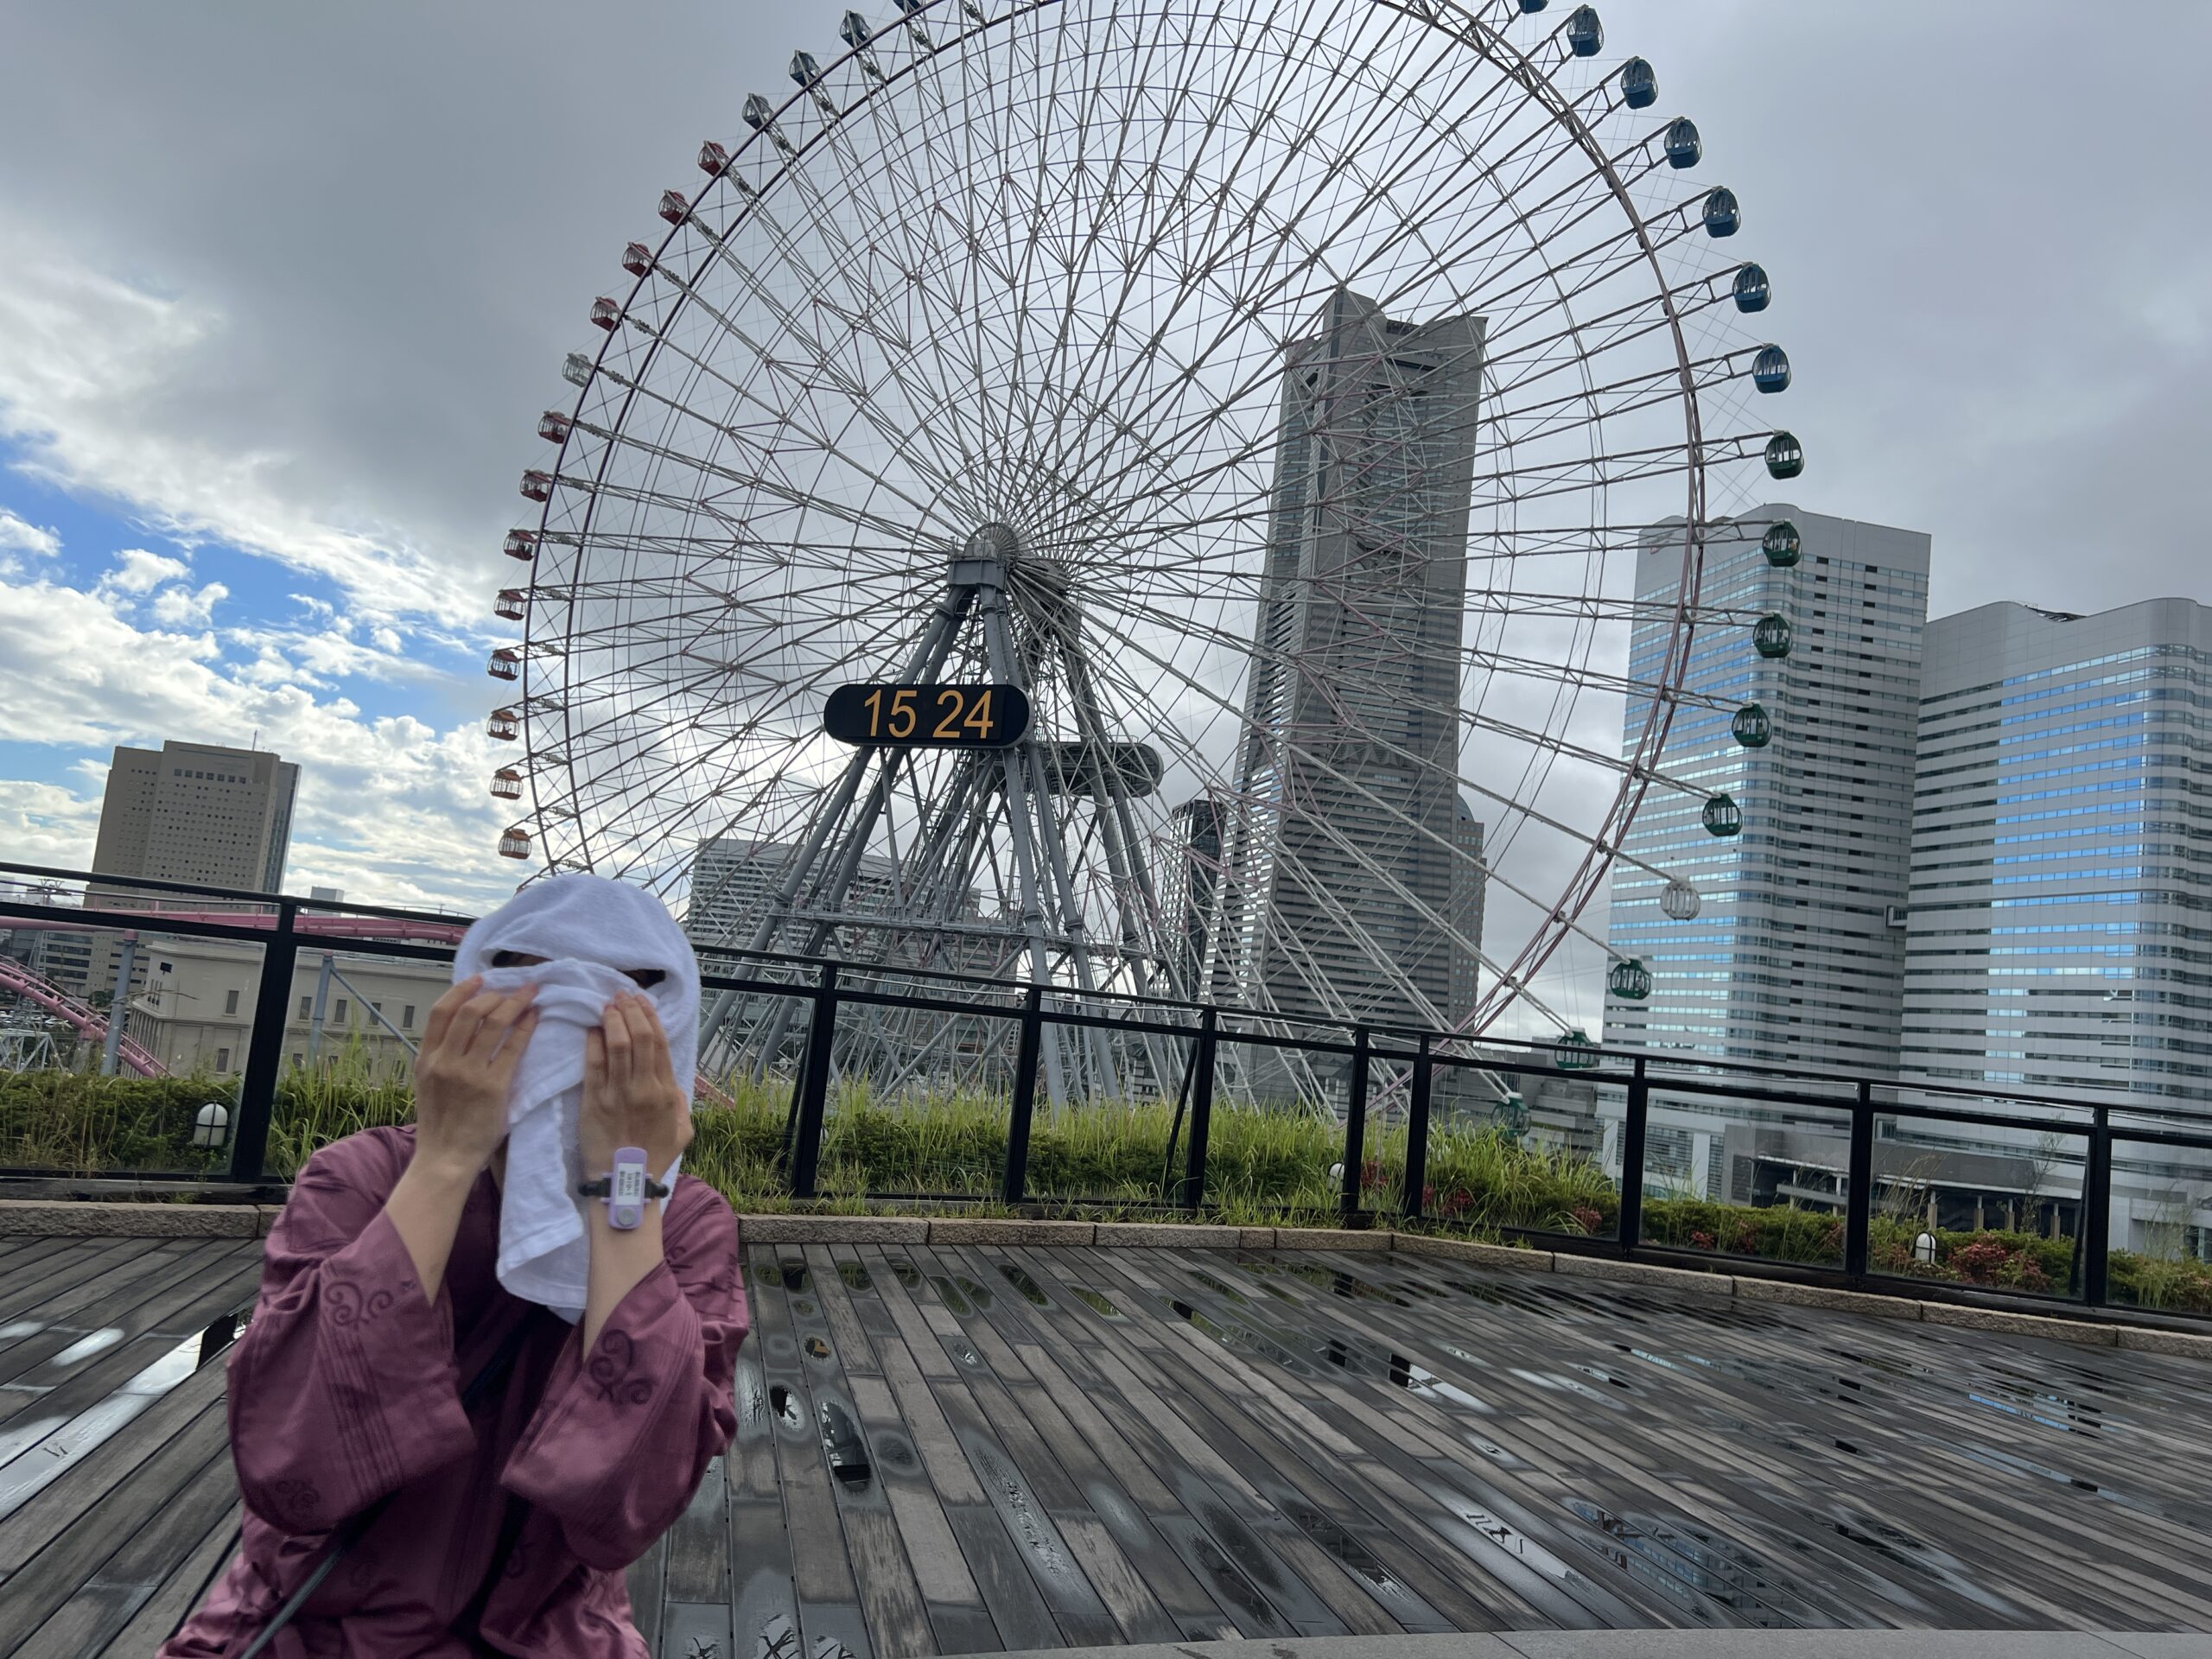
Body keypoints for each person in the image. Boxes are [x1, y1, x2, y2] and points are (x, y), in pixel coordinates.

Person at [164, 876, 745, 1658]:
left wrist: (627, 1191)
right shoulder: (361, 1178)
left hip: (550, 1630)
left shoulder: (689, 1224)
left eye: (615, 1009)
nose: (572, 1032)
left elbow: (630, 1504)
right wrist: (444, 1158)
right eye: (534, 995)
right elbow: (294, 1464)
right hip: (304, 1624)